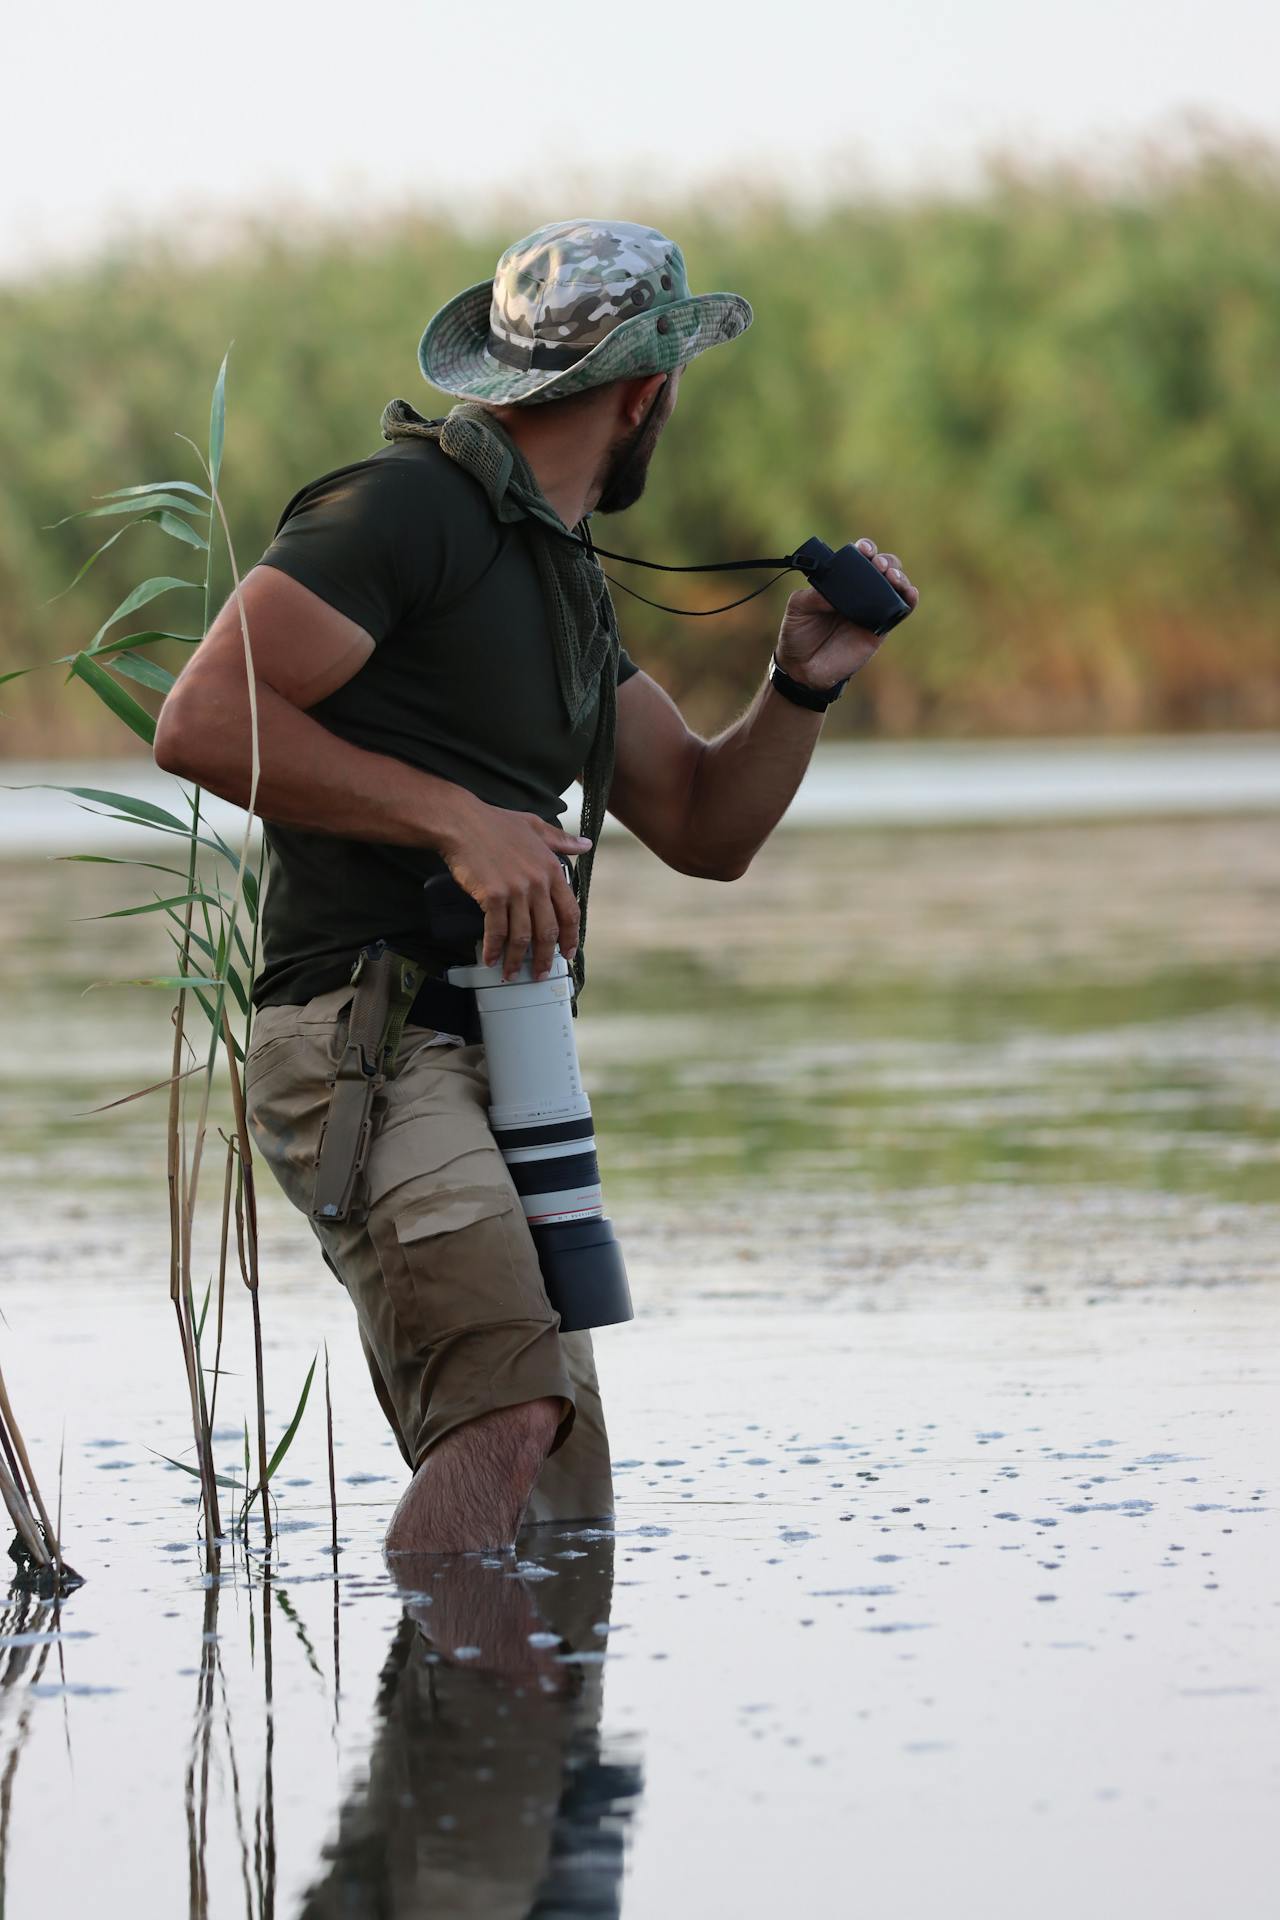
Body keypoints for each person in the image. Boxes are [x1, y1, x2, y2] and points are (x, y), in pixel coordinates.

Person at [153, 217, 919, 1557]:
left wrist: (804, 680)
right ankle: (445, 1727)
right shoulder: (404, 512)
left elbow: (699, 820)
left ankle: (504, 1747)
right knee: (507, 1417)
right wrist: (458, 820)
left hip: (509, 1058)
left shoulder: (558, 572)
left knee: (563, 1508)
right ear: (647, 394)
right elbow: (204, 720)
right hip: (364, 1042)